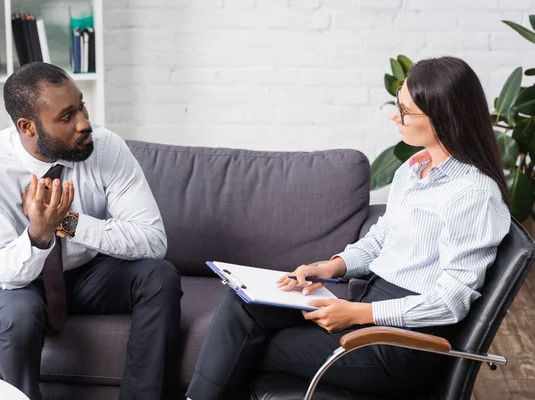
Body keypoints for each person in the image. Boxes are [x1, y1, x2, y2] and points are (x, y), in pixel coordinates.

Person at [185, 56, 512, 399]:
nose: (394, 116)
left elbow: (450, 303)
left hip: (399, 343)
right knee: (243, 303)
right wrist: (327, 267)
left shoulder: (474, 195)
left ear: (445, 118)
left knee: (249, 345)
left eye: (405, 110)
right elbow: (380, 241)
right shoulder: (413, 171)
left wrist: (359, 314)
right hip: (369, 306)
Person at [0, 62, 182, 400]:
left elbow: (152, 240)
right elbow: (3, 270)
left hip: (87, 275)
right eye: (67, 117)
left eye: (81, 106)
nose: (84, 123)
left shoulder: (107, 148)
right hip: (20, 280)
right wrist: (38, 234)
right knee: (17, 316)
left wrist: (67, 222)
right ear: (27, 127)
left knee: (159, 276)